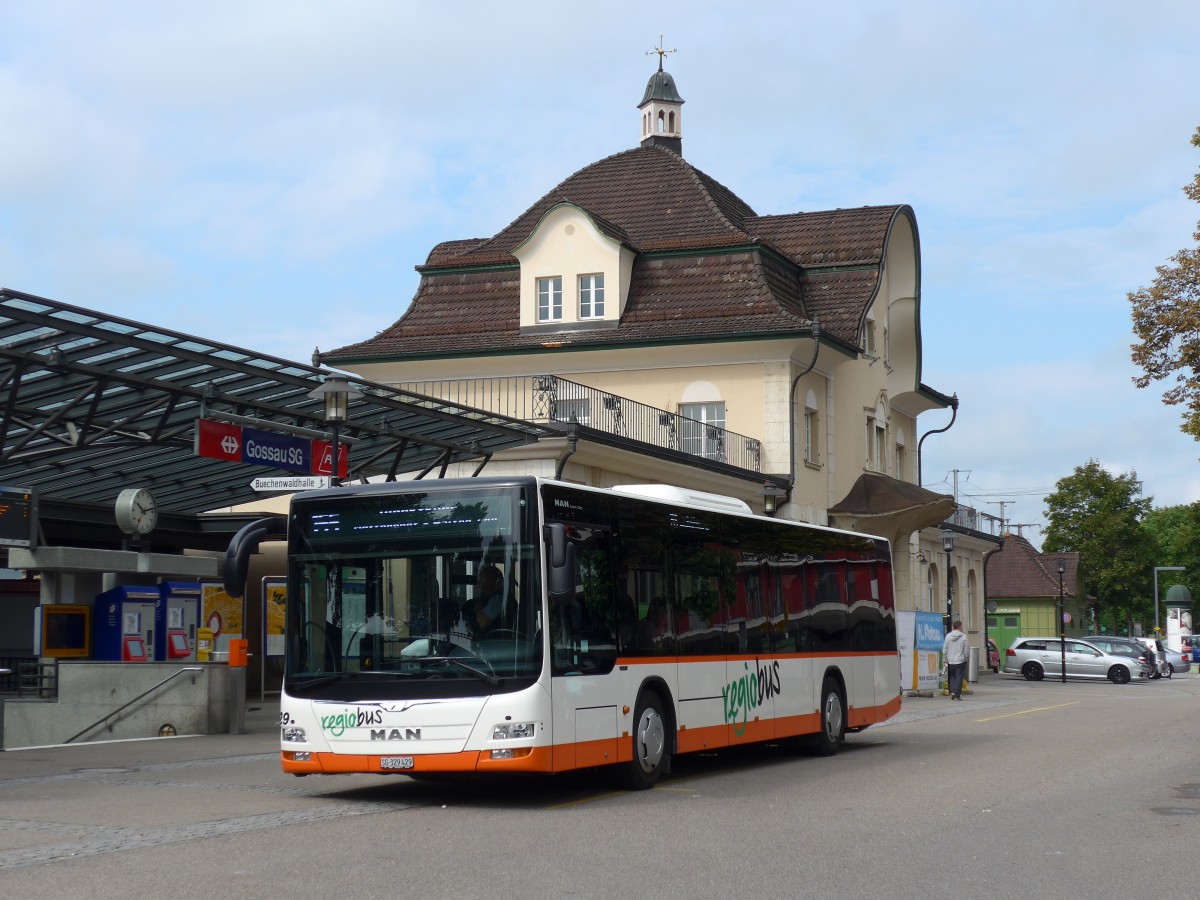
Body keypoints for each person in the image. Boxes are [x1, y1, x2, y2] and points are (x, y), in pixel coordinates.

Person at [468, 564, 505, 634]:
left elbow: (482, 622)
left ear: (494, 581)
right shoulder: (492, 598)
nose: (480, 584)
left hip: (496, 641)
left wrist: (477, 609)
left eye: (483, 580)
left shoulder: (497, 599)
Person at [943, 620, 970, 700]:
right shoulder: (964, 636)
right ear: (960, 627)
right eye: (961, 626)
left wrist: (945, 659)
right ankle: (957, 694)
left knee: (952, 677)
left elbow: (945, 648)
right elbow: (966, 649)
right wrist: (966, 657)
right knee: (959, 677)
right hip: (960, 660)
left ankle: (953, 692)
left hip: (950, 660)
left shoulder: (948, 636)